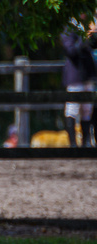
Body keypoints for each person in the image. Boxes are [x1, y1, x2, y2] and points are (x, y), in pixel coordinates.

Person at [60, 17, 97, 148]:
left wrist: (94, 34)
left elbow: (93, 45)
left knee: (87, 109)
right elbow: (71, 51)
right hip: (75, 75)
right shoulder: (69, 28)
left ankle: (85, 143)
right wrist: (84, 38)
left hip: (87, 74)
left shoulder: (86, 26)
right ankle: (73, 145)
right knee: (73, 109)